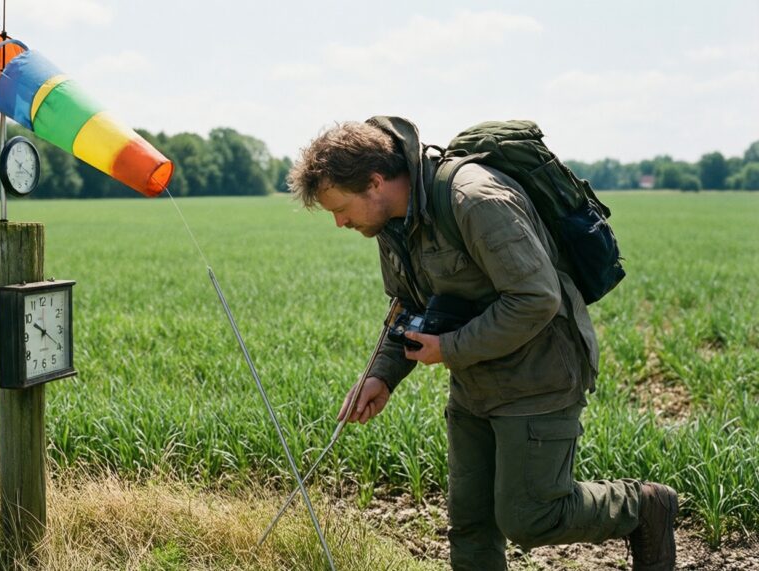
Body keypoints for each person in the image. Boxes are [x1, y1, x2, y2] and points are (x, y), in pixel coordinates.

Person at [287, 116, 678, 570]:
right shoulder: (393, 221)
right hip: (475, 382)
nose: (339, 222)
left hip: (540, 373)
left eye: (341, 208)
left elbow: (536, 299)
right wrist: (382, 376)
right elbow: (407, 304)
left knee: (532, 517)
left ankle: (644, 506)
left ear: (375, 181)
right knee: (470, 524)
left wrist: (448, 349)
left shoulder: (474, 199)